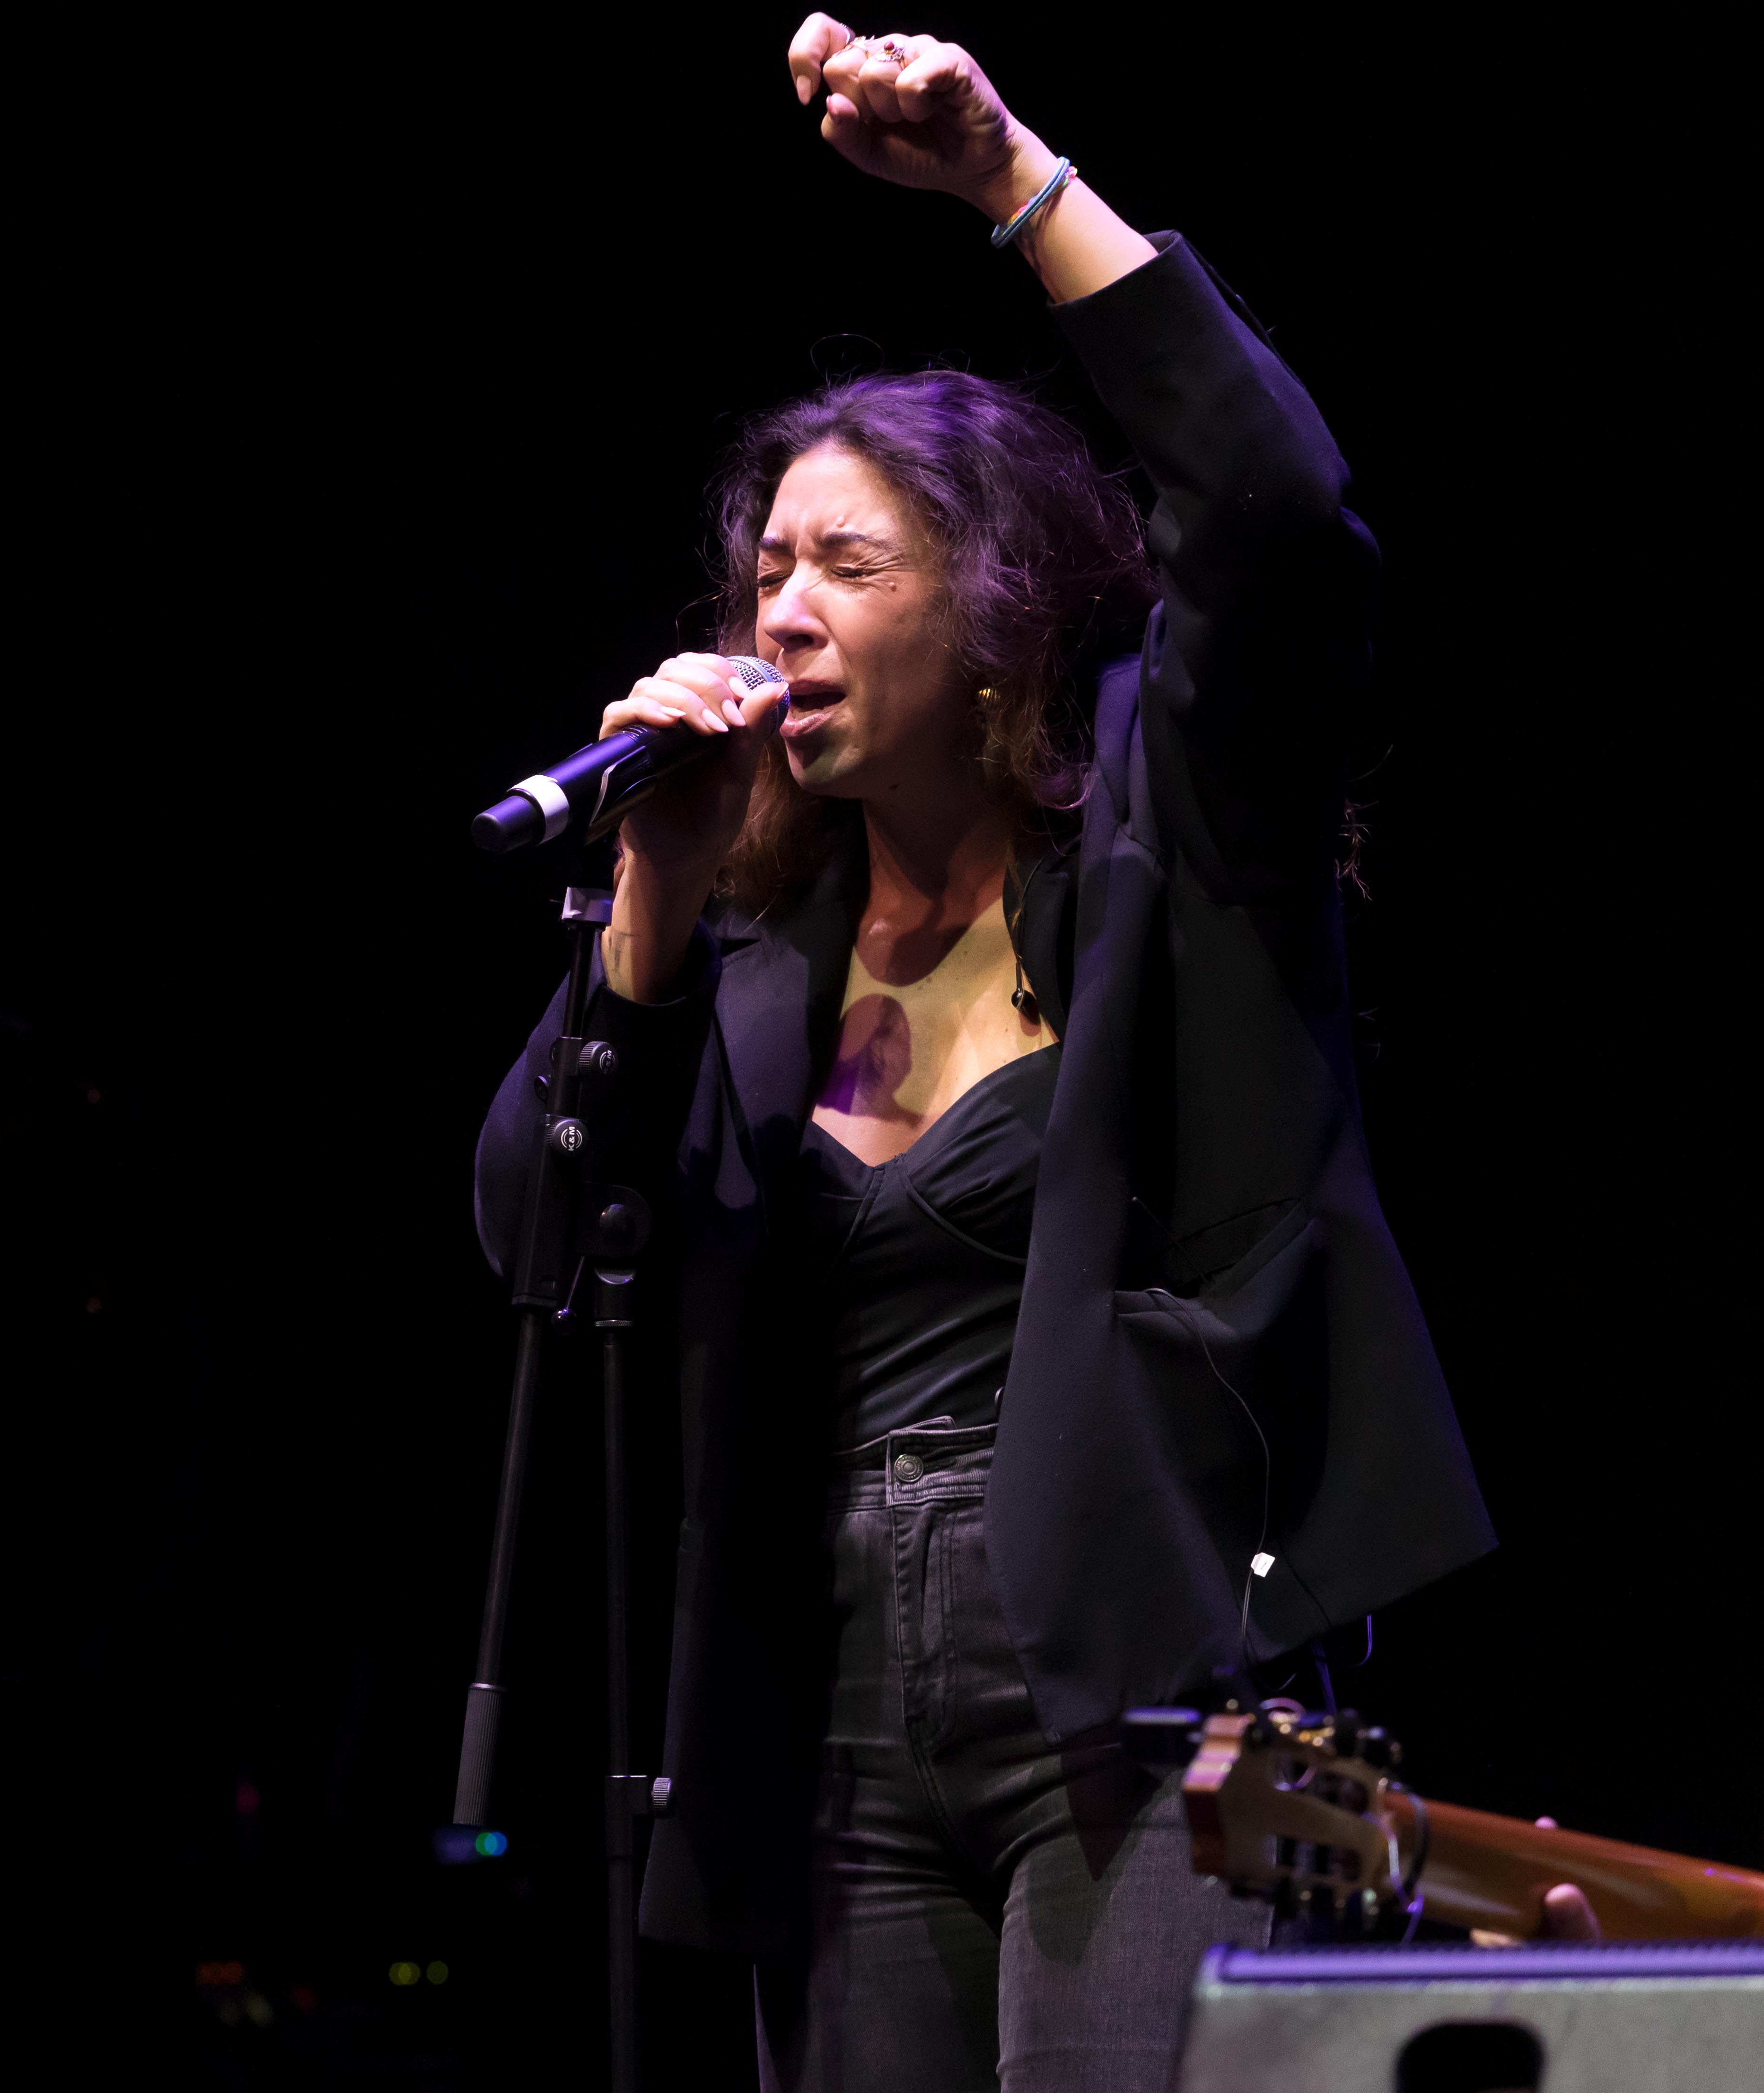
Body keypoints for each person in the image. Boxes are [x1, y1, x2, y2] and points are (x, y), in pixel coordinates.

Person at [474, 22, 1497, 2090]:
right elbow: (545, 1237)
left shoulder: (1165, 841)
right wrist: (654, 897)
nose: (783, 610)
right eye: (768, 569)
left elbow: (1278, 513)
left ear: (998, 611)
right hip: (822, 1714)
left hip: (1147, 1672)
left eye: (849, 565)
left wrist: (1011, 179)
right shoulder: (750, 960)